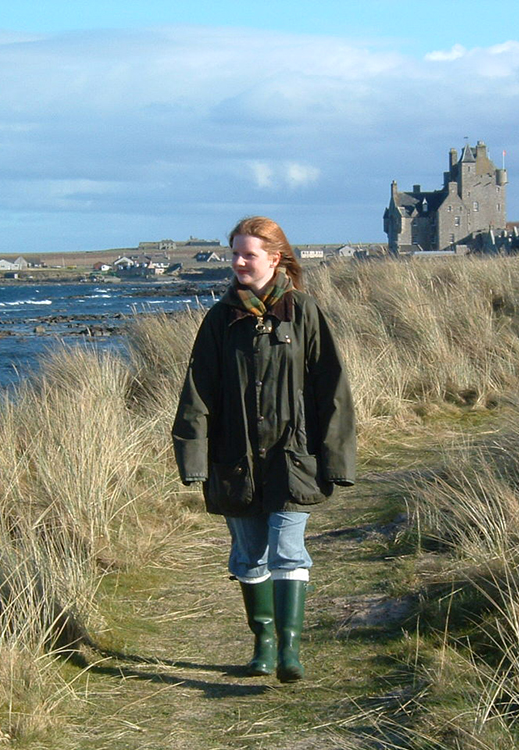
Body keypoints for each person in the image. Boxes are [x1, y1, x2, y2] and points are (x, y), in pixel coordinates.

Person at [173, 216, 356, 682]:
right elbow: (198, 392)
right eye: (233, 253)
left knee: (288, 551)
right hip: (235, 461)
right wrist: (195, 460)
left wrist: (336, 460)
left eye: (247, 254)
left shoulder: (304, 311)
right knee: (248, 555)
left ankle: (290, 651)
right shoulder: (220, 319)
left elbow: (332, 389)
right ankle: (264, 643)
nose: (237, 262)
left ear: (275, 258)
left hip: (293, 459)